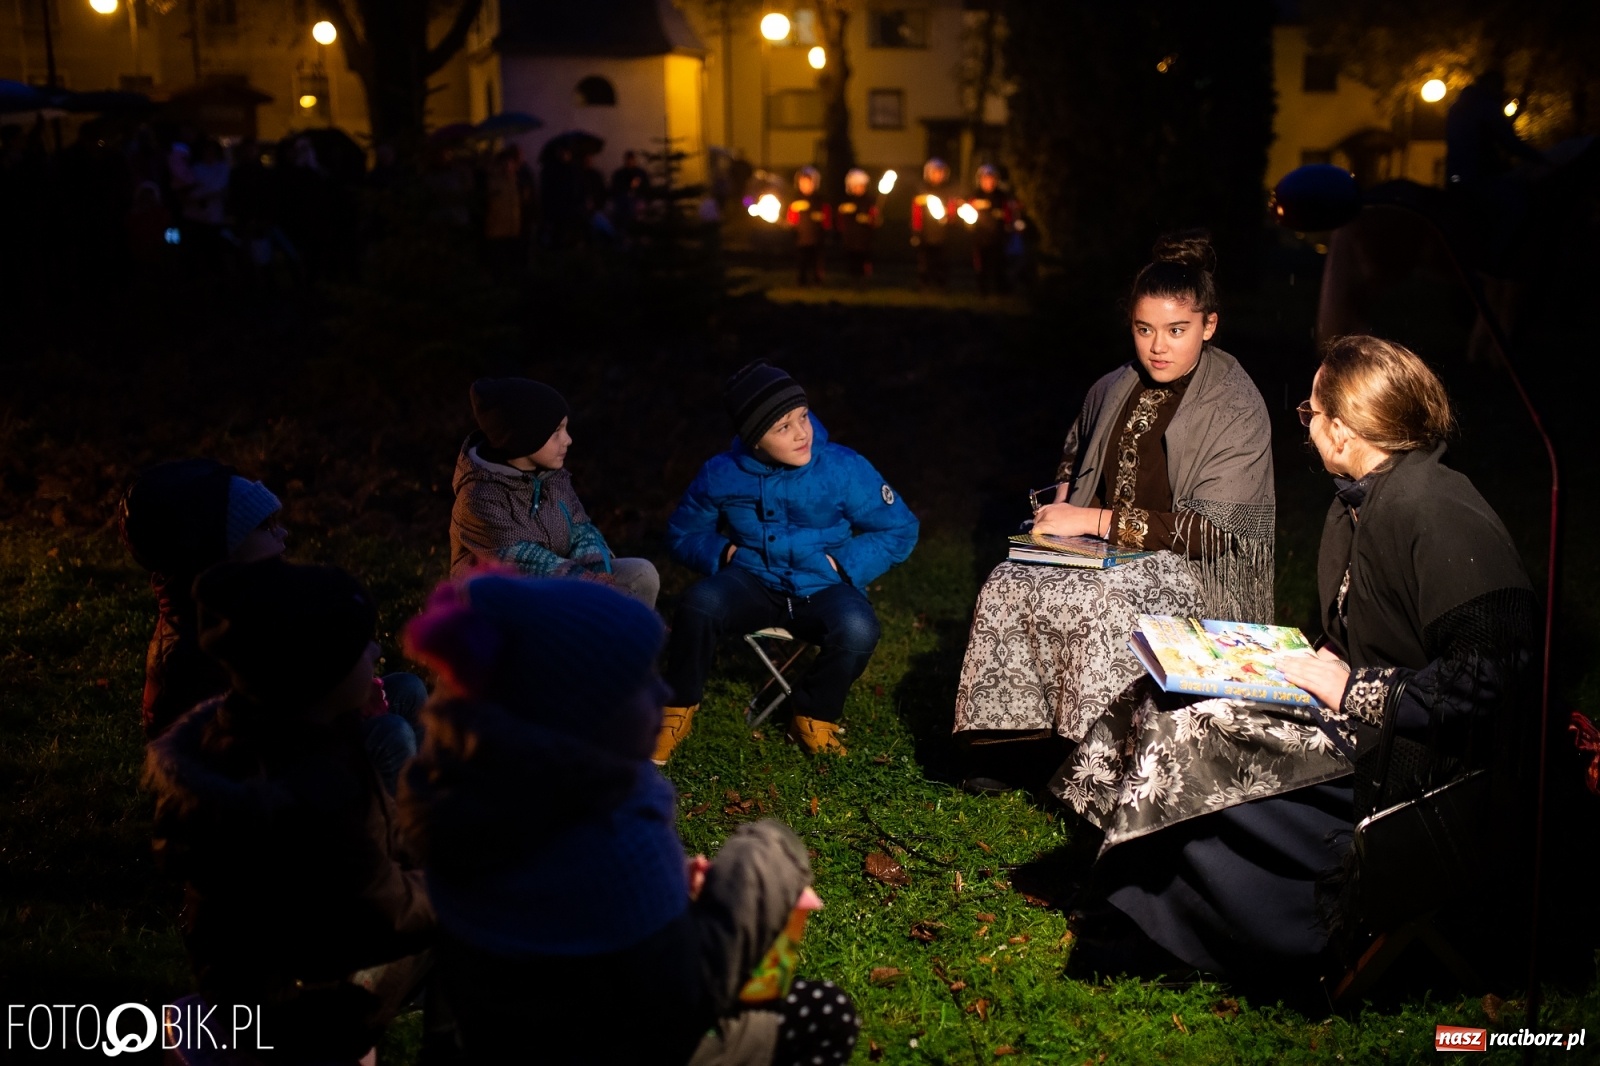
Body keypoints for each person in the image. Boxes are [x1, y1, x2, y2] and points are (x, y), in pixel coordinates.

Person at [1070, 335, 1535, 992]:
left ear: (1343, 430)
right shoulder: (1364, 499)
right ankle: (1120, 883)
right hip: (1365, 720)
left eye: (1310, 413)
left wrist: (1357, 688)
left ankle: (1178, 929)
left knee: (1197, 734)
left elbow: (1496, 677)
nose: (1307, 425)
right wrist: (1290, 660)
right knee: (1163, 694)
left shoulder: (1436, 508)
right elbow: (1370, 627)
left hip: (1418, 763)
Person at [398, 573, 860, 1064]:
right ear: (584, 715)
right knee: (824, 1009)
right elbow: (681, 997)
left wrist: (668, 894)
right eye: (641, 681)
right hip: (622, 1042)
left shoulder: (472, 802)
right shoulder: (607, 845)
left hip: (499, 1038)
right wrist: (763, 866)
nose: (663, 691)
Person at [952, 233, 1274, 787]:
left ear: (1209, 325)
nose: (1158, 347)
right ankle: (1017, 747)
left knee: (1104, 601)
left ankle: (1099, 765)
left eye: (1177, 331)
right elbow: (1077, 449)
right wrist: (1063, 498)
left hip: (1192, 569)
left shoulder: (1235, 404)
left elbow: (1217, 531)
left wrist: (1091, 521)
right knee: (1009, 581)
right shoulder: (1114, 384)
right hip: (1105, 552)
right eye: (1144, 329)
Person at [145, 558, 434, 1058]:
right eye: (361, 646)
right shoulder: (316, 791)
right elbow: (383, 912)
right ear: (319, 672)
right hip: (304, 1002)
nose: (376, 651)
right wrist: (455, 884)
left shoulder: (261, 734)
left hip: (250, 974)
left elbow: (374, 856)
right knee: (475, 921)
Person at [655, 362, 919, 760]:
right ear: (755, 441)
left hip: (822, 583)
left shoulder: (842, 467)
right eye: (783, 427)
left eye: (803, 416)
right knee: (698, 604)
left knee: (858, 628)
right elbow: (682, 533)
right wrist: (724, 553)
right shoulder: (721, 473)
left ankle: (813, 715)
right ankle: (675, 709)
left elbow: (899, 527)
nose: (801, 433)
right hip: (753, 580)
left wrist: (842, 564)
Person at [121, 460, 426, 790]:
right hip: (263, 784)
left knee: (407, 689)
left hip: (292, 735)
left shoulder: (249, 602)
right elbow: (251, 748)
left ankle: (431, 791)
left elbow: (290, 680)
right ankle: (398, 820)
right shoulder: (194, 654)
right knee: (390, 734)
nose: (283, 533)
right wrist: (342, 712)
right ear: (221, 550)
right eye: (265, 527)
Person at [450, 377, 660, 608]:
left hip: (564, 583)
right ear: (524, 437)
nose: (568, 440)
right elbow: (523, 561)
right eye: (556, 432)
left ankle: (629, 628)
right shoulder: (478, 497)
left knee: (641, 574)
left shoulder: (554, 479)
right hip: (504, 600)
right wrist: (591, 583)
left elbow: (582, 530)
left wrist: (599, 572)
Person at [966, 164, 1016, 295]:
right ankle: (982, 291)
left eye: (992, 178)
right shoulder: (975, 195)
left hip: (998, 236)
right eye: (985, 179)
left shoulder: (1002, 196)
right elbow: (967, 213)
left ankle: (1001, 291)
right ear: (980, 180)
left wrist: (1008, 226)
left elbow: (1009, 214)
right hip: (980, 236)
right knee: (981, 265)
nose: (989, 182)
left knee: (999, 264)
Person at [911, 158, 953, 289]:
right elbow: (916, 212)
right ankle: (924, 284)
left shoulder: (947, 192)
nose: (938, 175)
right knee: (924, 260)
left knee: (941, 259)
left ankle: (941, 284)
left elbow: (952, 210)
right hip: (925, 232)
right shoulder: (922, 192)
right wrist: (916, 231)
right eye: (934, 172)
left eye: (940, 172)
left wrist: (949, 217)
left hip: (942, 232)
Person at [786, 165, 831, 285]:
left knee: (817, 260)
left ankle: (817, 280)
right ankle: (802, 280)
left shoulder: (820, 201)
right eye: (802, 183)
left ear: (815, 183)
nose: (805, 185)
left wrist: (825, 227)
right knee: (802, 260)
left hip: (817, 237)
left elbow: (826, 219)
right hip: (801, 237)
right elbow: (791, 218)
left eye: (808, 183)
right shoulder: (795, 201)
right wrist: (791, 224)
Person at [835, 167, 880, 279]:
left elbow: (875, 218)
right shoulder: (846, 201)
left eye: (861, 185)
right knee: (851, 258)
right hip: (850, 236)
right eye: (856, 186)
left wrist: (870, 219)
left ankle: (864, 277)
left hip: (864, 236)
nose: (859, 188)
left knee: (864, 257)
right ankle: (852, 277)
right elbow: (840, 218)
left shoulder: (869, 201)